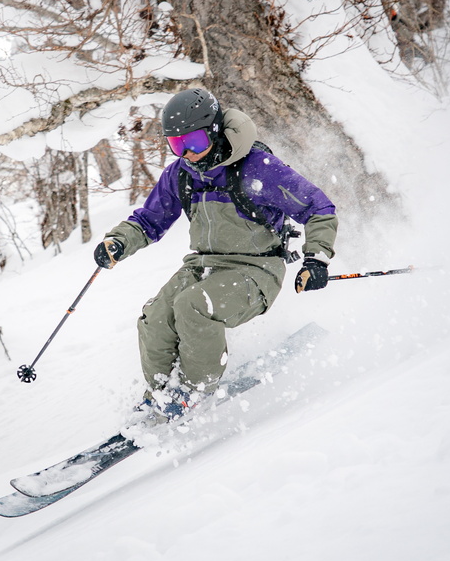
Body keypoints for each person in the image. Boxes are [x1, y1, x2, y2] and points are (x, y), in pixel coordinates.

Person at [95, 88, 338, 420]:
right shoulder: (181, 174)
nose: (188, 153)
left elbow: (318, 207)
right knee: (154, 318)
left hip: (257, 269)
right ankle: (161, 392)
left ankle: (193, 391)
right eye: (177, 145)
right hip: (204, 263)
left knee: (192, 305)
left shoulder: (257, 167)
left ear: (214, 130)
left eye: (193, 141)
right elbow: (150, 220)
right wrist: (118, 242)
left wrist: (316, 257)